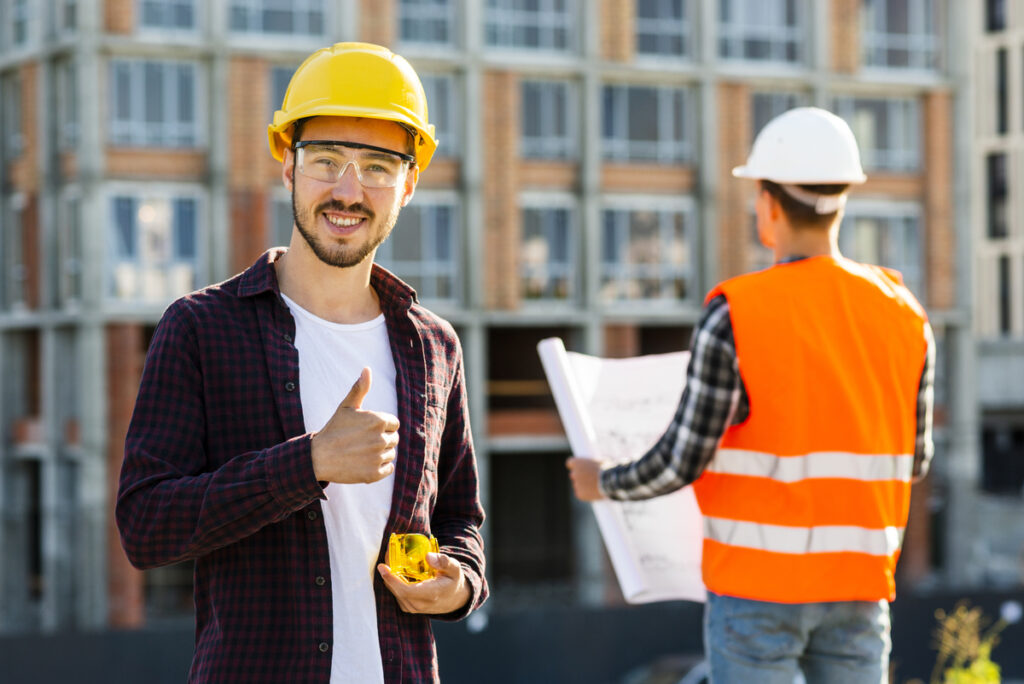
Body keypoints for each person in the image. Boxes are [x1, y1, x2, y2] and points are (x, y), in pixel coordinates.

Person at [116, 42, 487, 683]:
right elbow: (146, 526)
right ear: (288, 166)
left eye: (377, 166)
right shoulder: (201, 328)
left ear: (410, 183)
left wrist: (458, 585)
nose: (349, 190)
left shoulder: (434, 346)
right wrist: (308, 464)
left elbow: (461, 521)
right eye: (327, 161)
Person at [567, 107, 934, 684]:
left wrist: (602, 482)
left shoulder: (737, 312)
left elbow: (680, 460)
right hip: (860, 590)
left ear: (767, 203)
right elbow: (917, 462)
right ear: (842, 199)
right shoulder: (904, 312)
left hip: (757, 595)